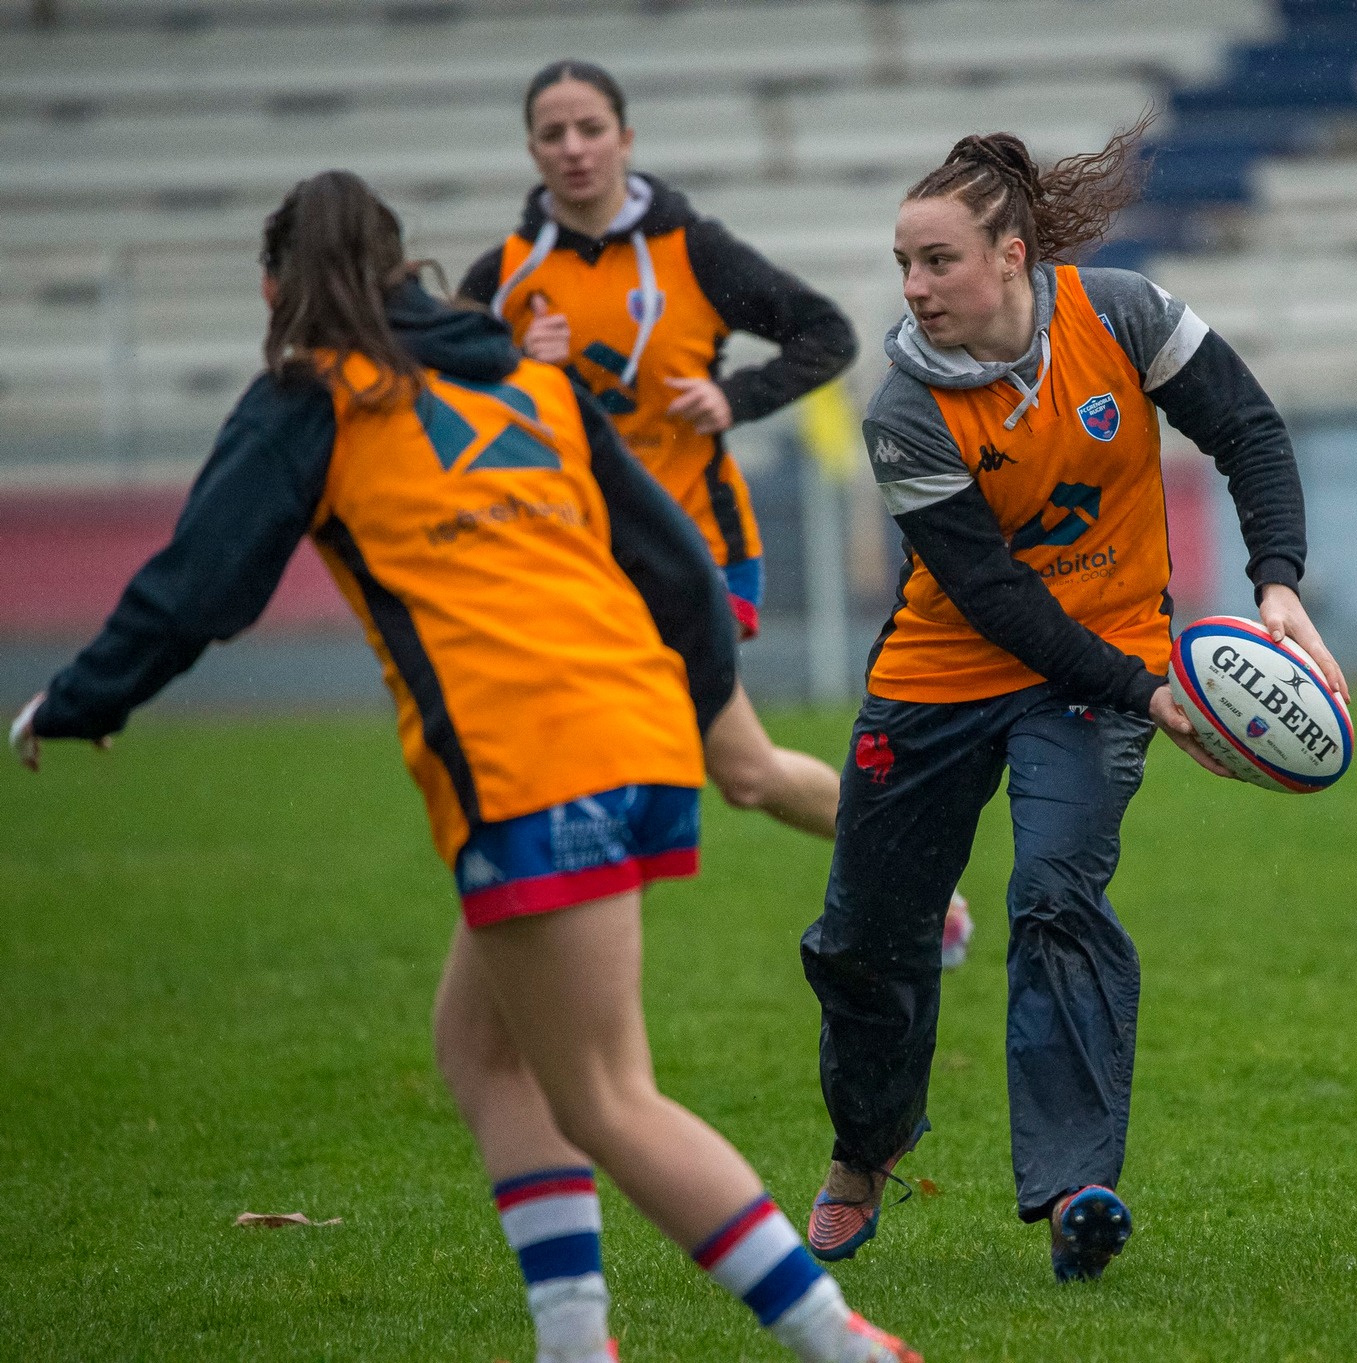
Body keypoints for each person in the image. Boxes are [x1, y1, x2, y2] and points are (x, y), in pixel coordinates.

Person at [8, 172, 918, 1363]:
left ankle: (839, 1342)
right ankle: (573, 1342)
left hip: (529, 756)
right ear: (406, 268)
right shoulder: (528, 376)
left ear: (277, 288)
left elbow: (201, 583)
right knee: (480, 1049)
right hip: (635, 725)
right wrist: (678, 714)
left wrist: (80, 699)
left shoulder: (312, 394)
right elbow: (681, 570)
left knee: (604, 1095)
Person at [798, 127, 1348, 1283]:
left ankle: (1072, 1188)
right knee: (864, 941)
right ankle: (867, 1143)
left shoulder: (1126, 317)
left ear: (1009, 255)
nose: (912, 286)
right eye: (902, 262)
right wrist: (1148, 687)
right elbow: (995, 601)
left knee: (1053, 893)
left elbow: (1246, 429)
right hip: (944, 675)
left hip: (1099, 677)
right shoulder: (903, 410)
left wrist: (1277, 583)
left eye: (937, 260)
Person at [459, 60, 976, 958]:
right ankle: (919, 886)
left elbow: (826, 333)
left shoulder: (691, 249)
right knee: (739, 772)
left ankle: (917, 888)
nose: (574, 149)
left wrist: (733, 398)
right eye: (554, 133)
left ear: (626, 137)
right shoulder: (501, 279)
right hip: (567, 561)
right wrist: (504, 361)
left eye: (591, 128)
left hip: (689, 550)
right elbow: (442, 403)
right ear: (533, 149)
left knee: (715, 767)